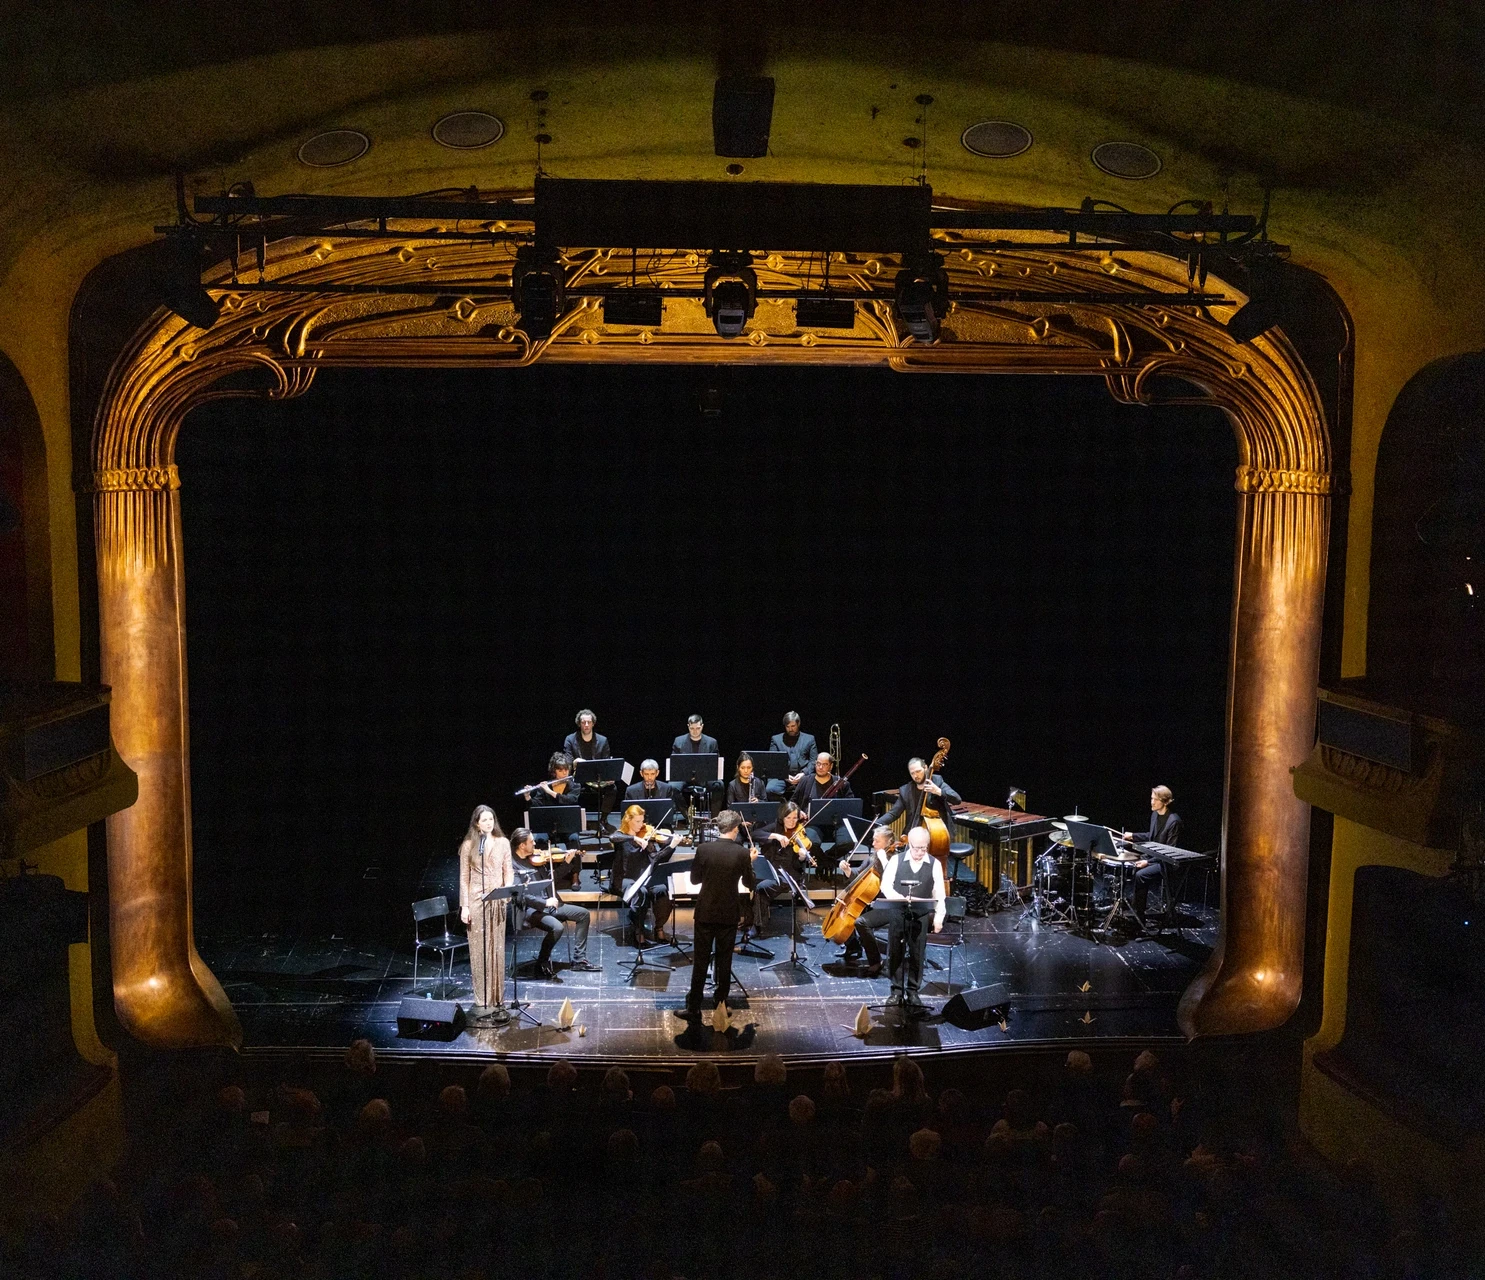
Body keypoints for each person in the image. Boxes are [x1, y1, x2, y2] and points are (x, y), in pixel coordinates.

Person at [685, 809, 757, 1017]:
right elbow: (749, 883)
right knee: (725, 960)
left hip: (705, 912)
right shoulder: (742, 853)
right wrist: (749, 862)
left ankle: (694, 1007)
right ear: (734, 829)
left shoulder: (703, 849)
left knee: (701, 961)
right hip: (728, 913)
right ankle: (721, 1004)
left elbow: (694, 880)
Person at [511, 826, 599, 975]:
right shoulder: (513, 865)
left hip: (550, 903)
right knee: (557, 927)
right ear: (522, 845)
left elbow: (551, 880)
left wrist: (567, 863)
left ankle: (579, 960)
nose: (535, 844)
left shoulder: (536, 859)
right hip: (531, 909)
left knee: (583, 914)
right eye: (531, 842)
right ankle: (541, 962)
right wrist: (545, 903)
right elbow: (521, 894)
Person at [878, 826, 946, 1015]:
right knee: (896, 952)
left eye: (924, 848)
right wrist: (900, 898)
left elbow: (939, 893)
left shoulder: (934, 864)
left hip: (920, 915)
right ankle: (896, 991)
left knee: (917, 954)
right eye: (916, 848)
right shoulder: (896, 860)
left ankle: (913, 991)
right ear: (909, 845)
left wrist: (939, 917)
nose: (920, 852)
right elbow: (885, 885)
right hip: (899, 913)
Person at [458, 805, 513, 1021]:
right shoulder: (469, 845)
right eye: (484, 820)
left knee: (497, 948)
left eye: (491, 819)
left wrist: (507, 892)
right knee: (479, 950)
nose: (489, 823)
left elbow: (508, 871)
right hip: (476, 901)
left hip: (497, 900)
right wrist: (465, 906)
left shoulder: (503, 842)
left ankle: (498, 998)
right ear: (477, 824)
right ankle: (482, 999)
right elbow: (464, 878)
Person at [833, 823, 898, 975]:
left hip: (887, 904)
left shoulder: (895, 860)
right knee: (846, 914)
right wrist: (847, 870)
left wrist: (883, 860)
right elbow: (858, 874)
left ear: (888, 842)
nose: (873, 843)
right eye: (873, 840)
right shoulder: (872, 858)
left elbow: (893, 880)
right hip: (870, 900)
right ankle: (853, 946)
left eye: (877, 841)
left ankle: (875, 961)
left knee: (860, 922)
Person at [612, 803, 680, 944]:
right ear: (628, 820)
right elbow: (613, 837)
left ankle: (659, 927)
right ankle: (639, 930)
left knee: (662, 890)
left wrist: (671, 846)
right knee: (640, 892)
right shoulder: (621, 837)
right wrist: (634, 838)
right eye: (638, 821)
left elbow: (656, 859)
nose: (642, 825)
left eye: (642, 821)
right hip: (624, 879)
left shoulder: (646, 837)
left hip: (644, 878)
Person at [750, 801, 813, 933]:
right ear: (782, 817)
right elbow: (754, 834)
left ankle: (758, 925)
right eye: (788, 818)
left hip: (788, 874)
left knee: (761, 888)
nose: (791, 822)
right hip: (770, 869)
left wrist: (801, 857)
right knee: (750, 882)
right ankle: (754, 922)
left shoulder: (800, 833)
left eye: (795, 818)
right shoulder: (776, 827)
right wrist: (776, 836)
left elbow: (798, 866)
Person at [1123, 785, 1183, 919]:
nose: (1152, 802)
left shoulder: (1174, 822)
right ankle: (1136, 909)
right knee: (1130, 863)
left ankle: (1139, 915)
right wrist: (1133, 836)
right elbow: (1152, 836)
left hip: (1167, 862)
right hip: (1155, 856)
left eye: (1155, 799)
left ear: (1165, 802)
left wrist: (1148, 862)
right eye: (1151, 798)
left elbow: (1170, 851)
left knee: (1141, 875)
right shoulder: (1155, 815)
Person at [880, 757, 963, 838]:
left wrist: (938, 791)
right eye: (912, 773)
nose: (916, 775)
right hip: (913, 833)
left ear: (925, 768)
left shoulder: (937, 782)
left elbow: (957, 799)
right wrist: (876, 824)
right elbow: (893, 813)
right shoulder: (906, 790)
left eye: (918, 771)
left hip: (937, 834)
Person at [562, 708, 616, 829]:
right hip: (578, 778)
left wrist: (609, 776)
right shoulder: (570, 739)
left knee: (612, 788)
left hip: (597, 778)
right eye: (583, 722)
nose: (586, 725)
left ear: (593, 723)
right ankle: (573, 820)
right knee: (568, 787)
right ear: (579, 724)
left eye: (589, 722)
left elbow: (606, 762)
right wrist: (575, 762)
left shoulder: (602, 740)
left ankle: (603, 819)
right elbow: (567, 761)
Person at [791, 750, 853, 852]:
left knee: (848, 842)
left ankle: (828, 858)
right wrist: (799, 811)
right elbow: (792, 802)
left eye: (824, 764)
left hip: (836, 823)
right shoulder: (805, 781)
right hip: (812, 823)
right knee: (811, 843)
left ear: (831, 766)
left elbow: (850, 804)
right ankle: (824, 861)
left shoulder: (841, 783)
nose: (820, 767)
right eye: (818, 764)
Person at [767, 712, 818, 799]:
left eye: (793, 726)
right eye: (788, 727)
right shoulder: (776, 739)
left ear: (798, 724)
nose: (790, 729)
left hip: (804, 776)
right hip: (782, 777)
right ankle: (783, 807)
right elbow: (773, 762)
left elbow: (813, 761)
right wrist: (785, 775)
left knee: (814, 790)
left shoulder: (809, 739)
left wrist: (803, 773)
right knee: (770, 789)